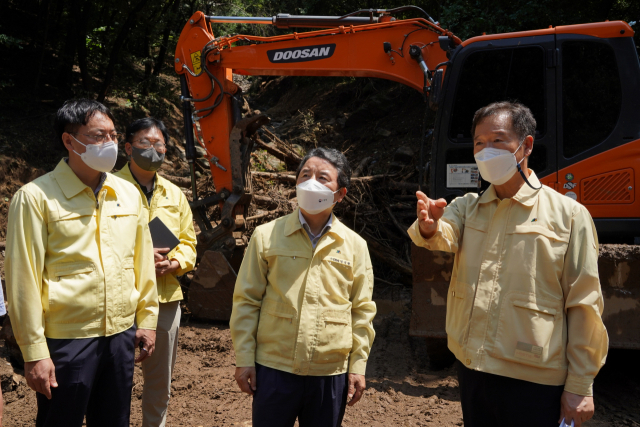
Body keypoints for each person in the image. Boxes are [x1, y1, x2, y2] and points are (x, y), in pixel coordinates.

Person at [408, 101, 608, 427]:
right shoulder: (468, 207)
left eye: (498, 141)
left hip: (534, 379)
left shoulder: (569, 216)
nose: (486, 150)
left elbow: (584, 303)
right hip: (473, 367)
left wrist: (580, 386)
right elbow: (441, 234)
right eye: (479, 143)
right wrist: (429, 226)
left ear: (525, 145)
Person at [5, 99, 159, 427]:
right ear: (68, 141)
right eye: (98, 135)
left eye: (114, 135)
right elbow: (23, 281)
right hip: (67, 340)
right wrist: (34, 352)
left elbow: (143, 263)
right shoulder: (36, 198)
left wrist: (147, 319)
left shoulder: (128, 194)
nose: (110, 143)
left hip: (120, 336)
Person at [230, 147, 376, 427]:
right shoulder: (266, 236)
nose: (312, 182)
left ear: (340, 193)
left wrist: (357, 365)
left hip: (329, 371)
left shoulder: (355, 246)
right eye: (305, 175)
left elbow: (362, 311)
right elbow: (247, 301)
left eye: (323, 177)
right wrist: (245, 358)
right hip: (274, 367)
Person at [114, 117, 196, 427]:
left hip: (164, 299)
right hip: (118, 300)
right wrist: (138, 257)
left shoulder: (175, 195)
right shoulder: (108, 187)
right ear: (128, 147)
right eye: (145, 143)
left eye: (159, 144)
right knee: (115, 380)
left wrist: (174, 263)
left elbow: (189, 243)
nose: (153, 149)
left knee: (159, 383)